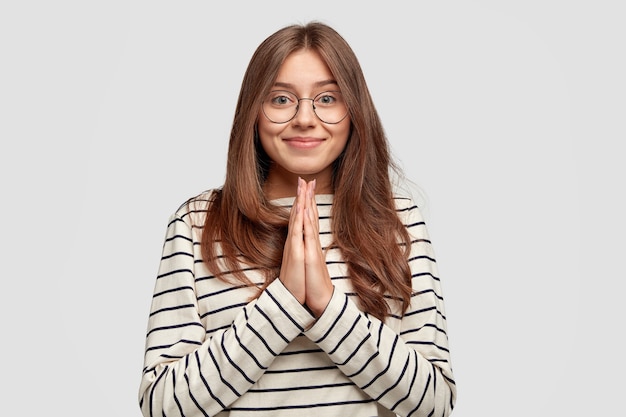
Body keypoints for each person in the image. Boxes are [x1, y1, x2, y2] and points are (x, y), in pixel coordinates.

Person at [138, 21, 456, 417]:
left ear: (354, 111)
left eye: (326, 99)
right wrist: (283, 303)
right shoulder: (199, 224)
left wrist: (326, 305)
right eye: (281, 99)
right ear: (253, 111)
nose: (305, 118)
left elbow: (434, 404)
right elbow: (162, 406)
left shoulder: (396, 221)